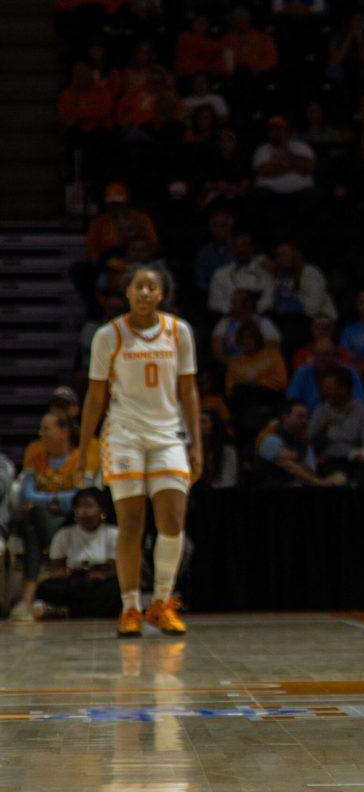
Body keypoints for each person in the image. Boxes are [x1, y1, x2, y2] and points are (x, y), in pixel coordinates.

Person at [77, 262, 199, 638]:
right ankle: (130, 606)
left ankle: (162, 602)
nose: (145, 293)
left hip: (167, 435)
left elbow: (188, 391)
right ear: (126, 292)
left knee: (173, 523)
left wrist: (196, 444)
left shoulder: (179, 332)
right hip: (124, 434)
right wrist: (85, 450)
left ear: (162, 294)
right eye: (139, 287)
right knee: (131, 523)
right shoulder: (108, 336)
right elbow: (95, 397)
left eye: (152, 287)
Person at [9, 411, 101, 622]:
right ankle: (32, 598)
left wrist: (48, 499)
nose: (40, 433)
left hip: (71, 524)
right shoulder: (36, 457)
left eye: (46, 429)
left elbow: (82, 496)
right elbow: (25, 495)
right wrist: (59, 501)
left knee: (33, 516)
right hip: (43, 524)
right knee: (31, 515)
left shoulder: (79, 458)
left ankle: (27, 598)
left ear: (63, 432)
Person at [34, 488, 121, 620]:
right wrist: (69, 574)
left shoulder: (113, 533)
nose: (84, 511)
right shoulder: (63, 534)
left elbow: (115, 568)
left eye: (89, 506)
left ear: (102, 510)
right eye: (80, 506)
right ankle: (73, 610)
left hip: (101, 581)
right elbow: (57, 568)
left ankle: (69, 611)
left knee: (115, 588)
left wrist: (101, 575)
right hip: (74, 580)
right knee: (46, 587)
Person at [308, 368, 364, 475]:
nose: (325, 391)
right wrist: (321, 428)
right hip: (327, 461)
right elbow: (308, 439)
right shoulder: (321, 410)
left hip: (354, 460)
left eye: (330, 388)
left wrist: (358, 455)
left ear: (344, 388)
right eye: (325, 387)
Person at [288, 337, 364, 411]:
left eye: (326, 354)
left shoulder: (349, 372)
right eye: (318, 355)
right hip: (308, 421)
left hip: (344, 419)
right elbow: (292, 403)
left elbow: (360, 402)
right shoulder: (301, 373)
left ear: (336, 356)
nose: (321, 358)